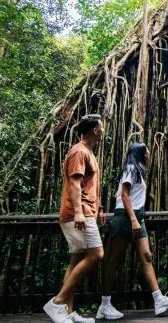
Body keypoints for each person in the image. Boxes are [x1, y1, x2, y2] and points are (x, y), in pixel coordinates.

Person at [96, 142, 168, 319]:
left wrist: (137, 218)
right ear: (141, 153)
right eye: (147, 149)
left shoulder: (137, 171)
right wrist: (133, 219)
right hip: (126, 218)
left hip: (137, 217)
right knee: (114, 259)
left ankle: (159, 300)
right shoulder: (130, 167)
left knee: (147, 256)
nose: (150, 152)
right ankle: (104, 305)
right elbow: (123, 195)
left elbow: (118, 193)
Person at [44, 114, 106, 323]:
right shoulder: (79, 152)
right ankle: (57, 303)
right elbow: (74, 184)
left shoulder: (87, 152)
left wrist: (100, 208)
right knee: (97, 254)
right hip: (78, 213)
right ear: (95, 130)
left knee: (76, 260)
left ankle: (67, 312)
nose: (104, 130)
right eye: (102, 126)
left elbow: (88, 186)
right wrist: (80, 211)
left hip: (87, 211)